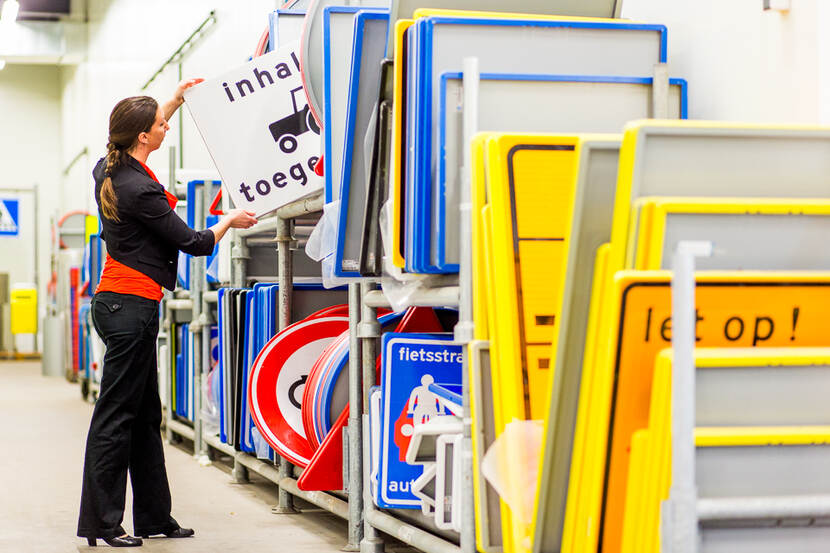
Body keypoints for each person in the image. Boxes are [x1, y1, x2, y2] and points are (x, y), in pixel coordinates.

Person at [77, 80, 258, 548]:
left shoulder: (109, 168)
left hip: (122, 304)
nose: (166, 127)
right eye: (161, 124)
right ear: (143, 137)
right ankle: (101, 525)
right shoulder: (140, 190)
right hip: (130, 310)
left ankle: (155, 518)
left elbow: (146, 129)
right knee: (115, 418)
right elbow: (195, 244)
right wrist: (228, 221)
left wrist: (173, 100)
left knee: (142, 415)